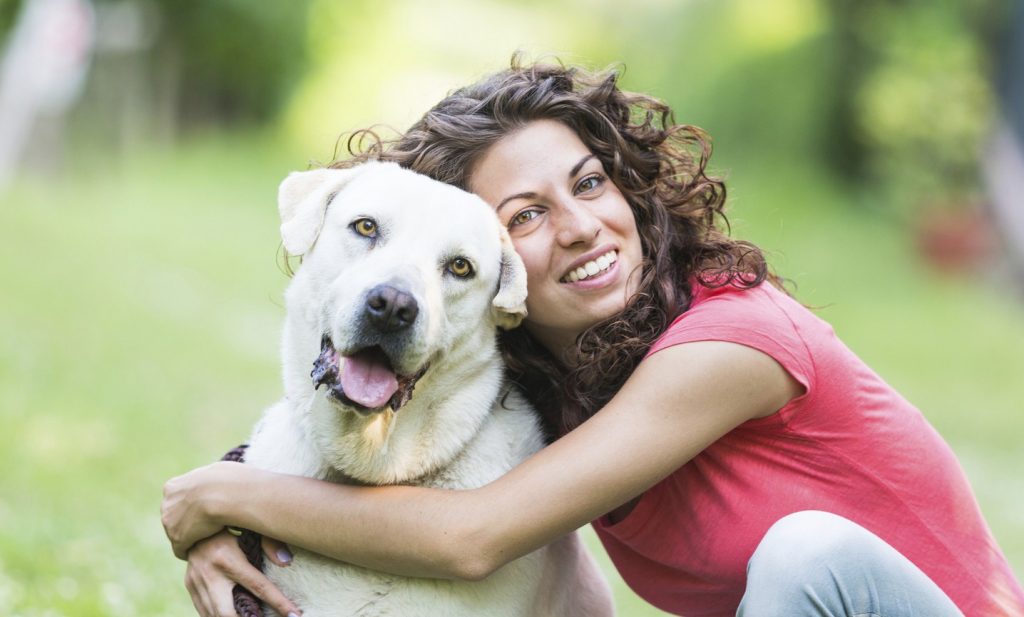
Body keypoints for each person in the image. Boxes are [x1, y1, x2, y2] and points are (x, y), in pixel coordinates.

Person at [161, 58, 1024, 617]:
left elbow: (474, 535)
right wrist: (224, 501)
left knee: (810, 551)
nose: (580, 226)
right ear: (490, 276)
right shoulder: (562, 384)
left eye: (589, 182)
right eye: (528, 214)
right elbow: (370, 441)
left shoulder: (734, 341)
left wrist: (216, 496)